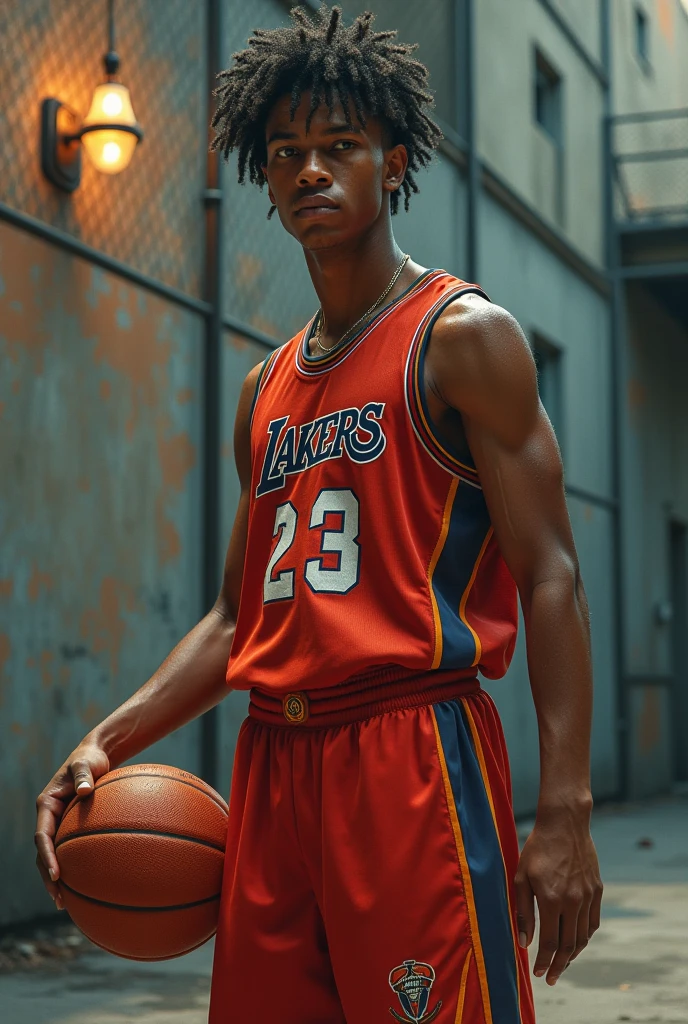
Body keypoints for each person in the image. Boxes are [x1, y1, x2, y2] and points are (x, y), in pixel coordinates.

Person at [35, 5, 603, 1022]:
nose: (310, 170)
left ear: (392, 162)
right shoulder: (264, 389)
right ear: (263, 173)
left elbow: (552, 569)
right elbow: (231, 619)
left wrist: (563, 807)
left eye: (339, 147)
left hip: (411, 753)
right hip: (272, 767)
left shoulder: (464, 338)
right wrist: (108, 741)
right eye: (287, 152)